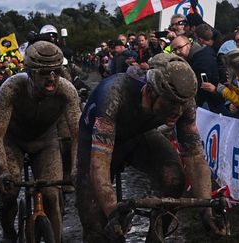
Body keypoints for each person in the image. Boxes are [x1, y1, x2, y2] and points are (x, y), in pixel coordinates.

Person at [76, 53, 226, 242]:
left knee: (173, 178)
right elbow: (99, 165)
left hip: (138, 135)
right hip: (95, 142)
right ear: (149, 92)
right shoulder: (113, 94)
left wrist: (206, 209)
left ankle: (156, 236)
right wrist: (112, 212)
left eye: (181, 104)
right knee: (96, 226)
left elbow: (194, 155)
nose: (178, 111)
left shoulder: (183, 99)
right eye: (171, 103)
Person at [0, 41, 80, 243]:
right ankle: (8, 232)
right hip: (13, 141)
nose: (52, 77)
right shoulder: (11, 88)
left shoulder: (67, 91)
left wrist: (75, 170)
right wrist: (2, 169)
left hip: (45, 142)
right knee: (9, 192)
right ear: (29, 72)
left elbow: (78, 135)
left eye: (56, 71)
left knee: (51, 195)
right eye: (44, 73)